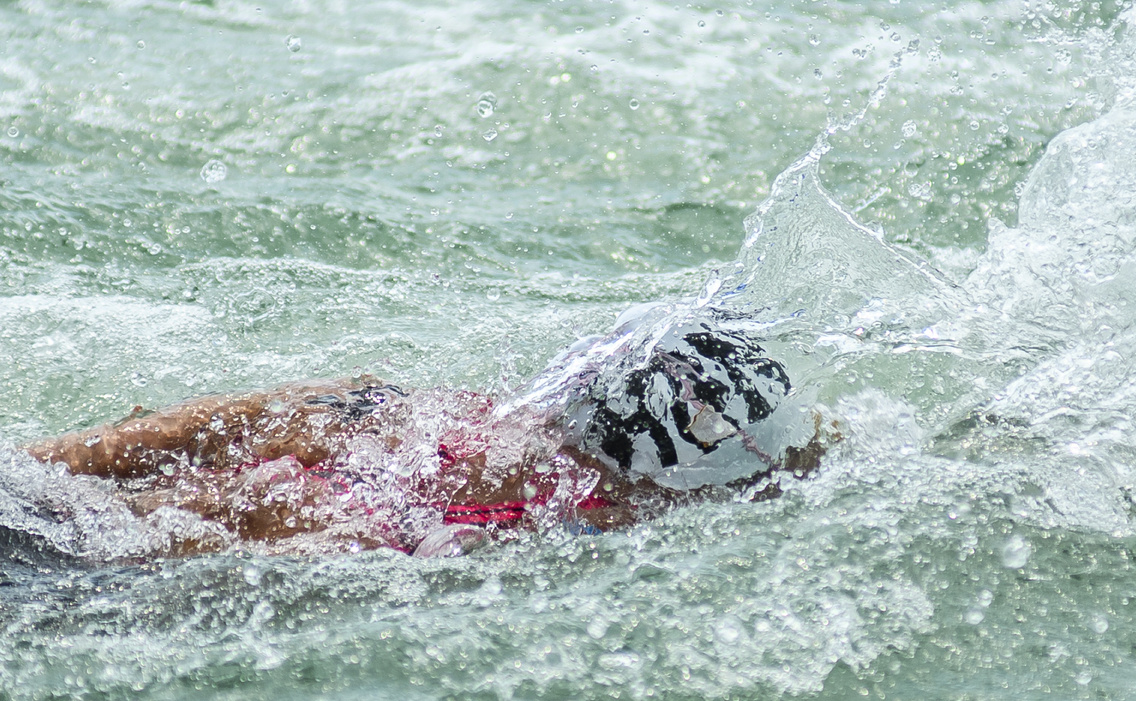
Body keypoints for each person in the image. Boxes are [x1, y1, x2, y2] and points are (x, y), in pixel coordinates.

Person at [21, 307, 825, 558]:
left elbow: (228, 418)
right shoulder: (603, 512)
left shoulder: (433, 407)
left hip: (325, 470)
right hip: (343, 531)